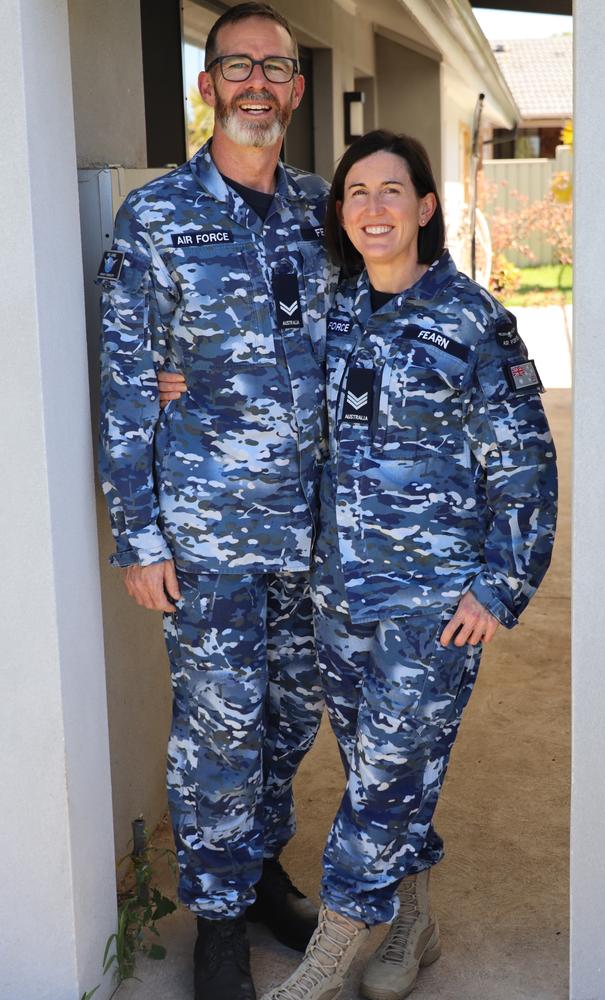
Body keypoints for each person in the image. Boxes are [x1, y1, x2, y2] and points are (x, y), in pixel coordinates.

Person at [252, 130, 558, 1000]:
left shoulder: (472, 319)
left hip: (434, 603)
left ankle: (330, 957)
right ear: (340, 216)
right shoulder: (334, 313)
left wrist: (500, 587)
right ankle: (415, 922)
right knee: (386, 769)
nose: (374, 207)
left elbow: (526, 466)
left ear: (425, 208)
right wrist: (174, 382)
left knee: (384, 776)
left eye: (393, 191)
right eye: (356, 193)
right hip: (340, 596)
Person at [97, 5, 337, 999]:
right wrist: (137, 536)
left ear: (293, 87)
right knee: (219, 729)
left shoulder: (326, 211)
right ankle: (219, 920)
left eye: (272, 68)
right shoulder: (155, 218)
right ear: (206, 87)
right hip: (208, 534)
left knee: (291, 717)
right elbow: (122, 385)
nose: (253, 83)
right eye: (233, 65)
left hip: (314, 533)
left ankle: (262, 868)